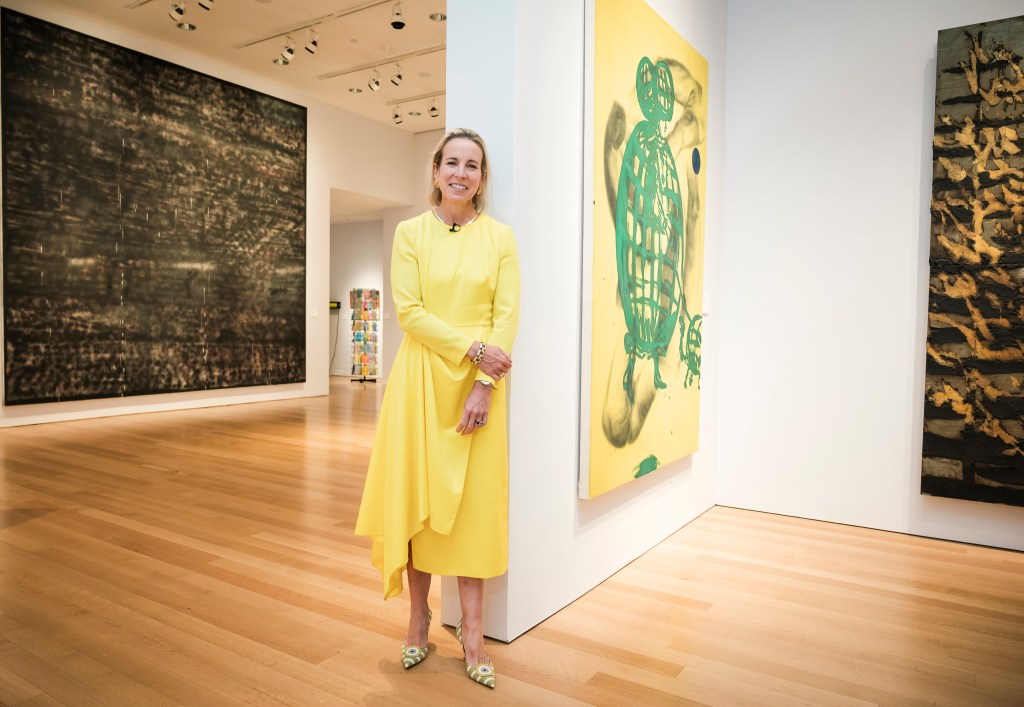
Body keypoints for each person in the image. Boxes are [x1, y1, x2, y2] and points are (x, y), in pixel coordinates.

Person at [354, 128, 520, 689]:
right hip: (421, 384)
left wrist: (483, 384)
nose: (461, 173)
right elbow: (410, 313)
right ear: (435, 170)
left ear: (482, 178)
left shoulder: (500, 238)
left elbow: (506, 318)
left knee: (472, 510)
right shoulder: (410, 234)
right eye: (452, 162)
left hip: (479, 390)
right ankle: (417, 618)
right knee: (421, 507)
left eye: (472, 165)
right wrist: (475, 350)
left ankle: (473, 633)